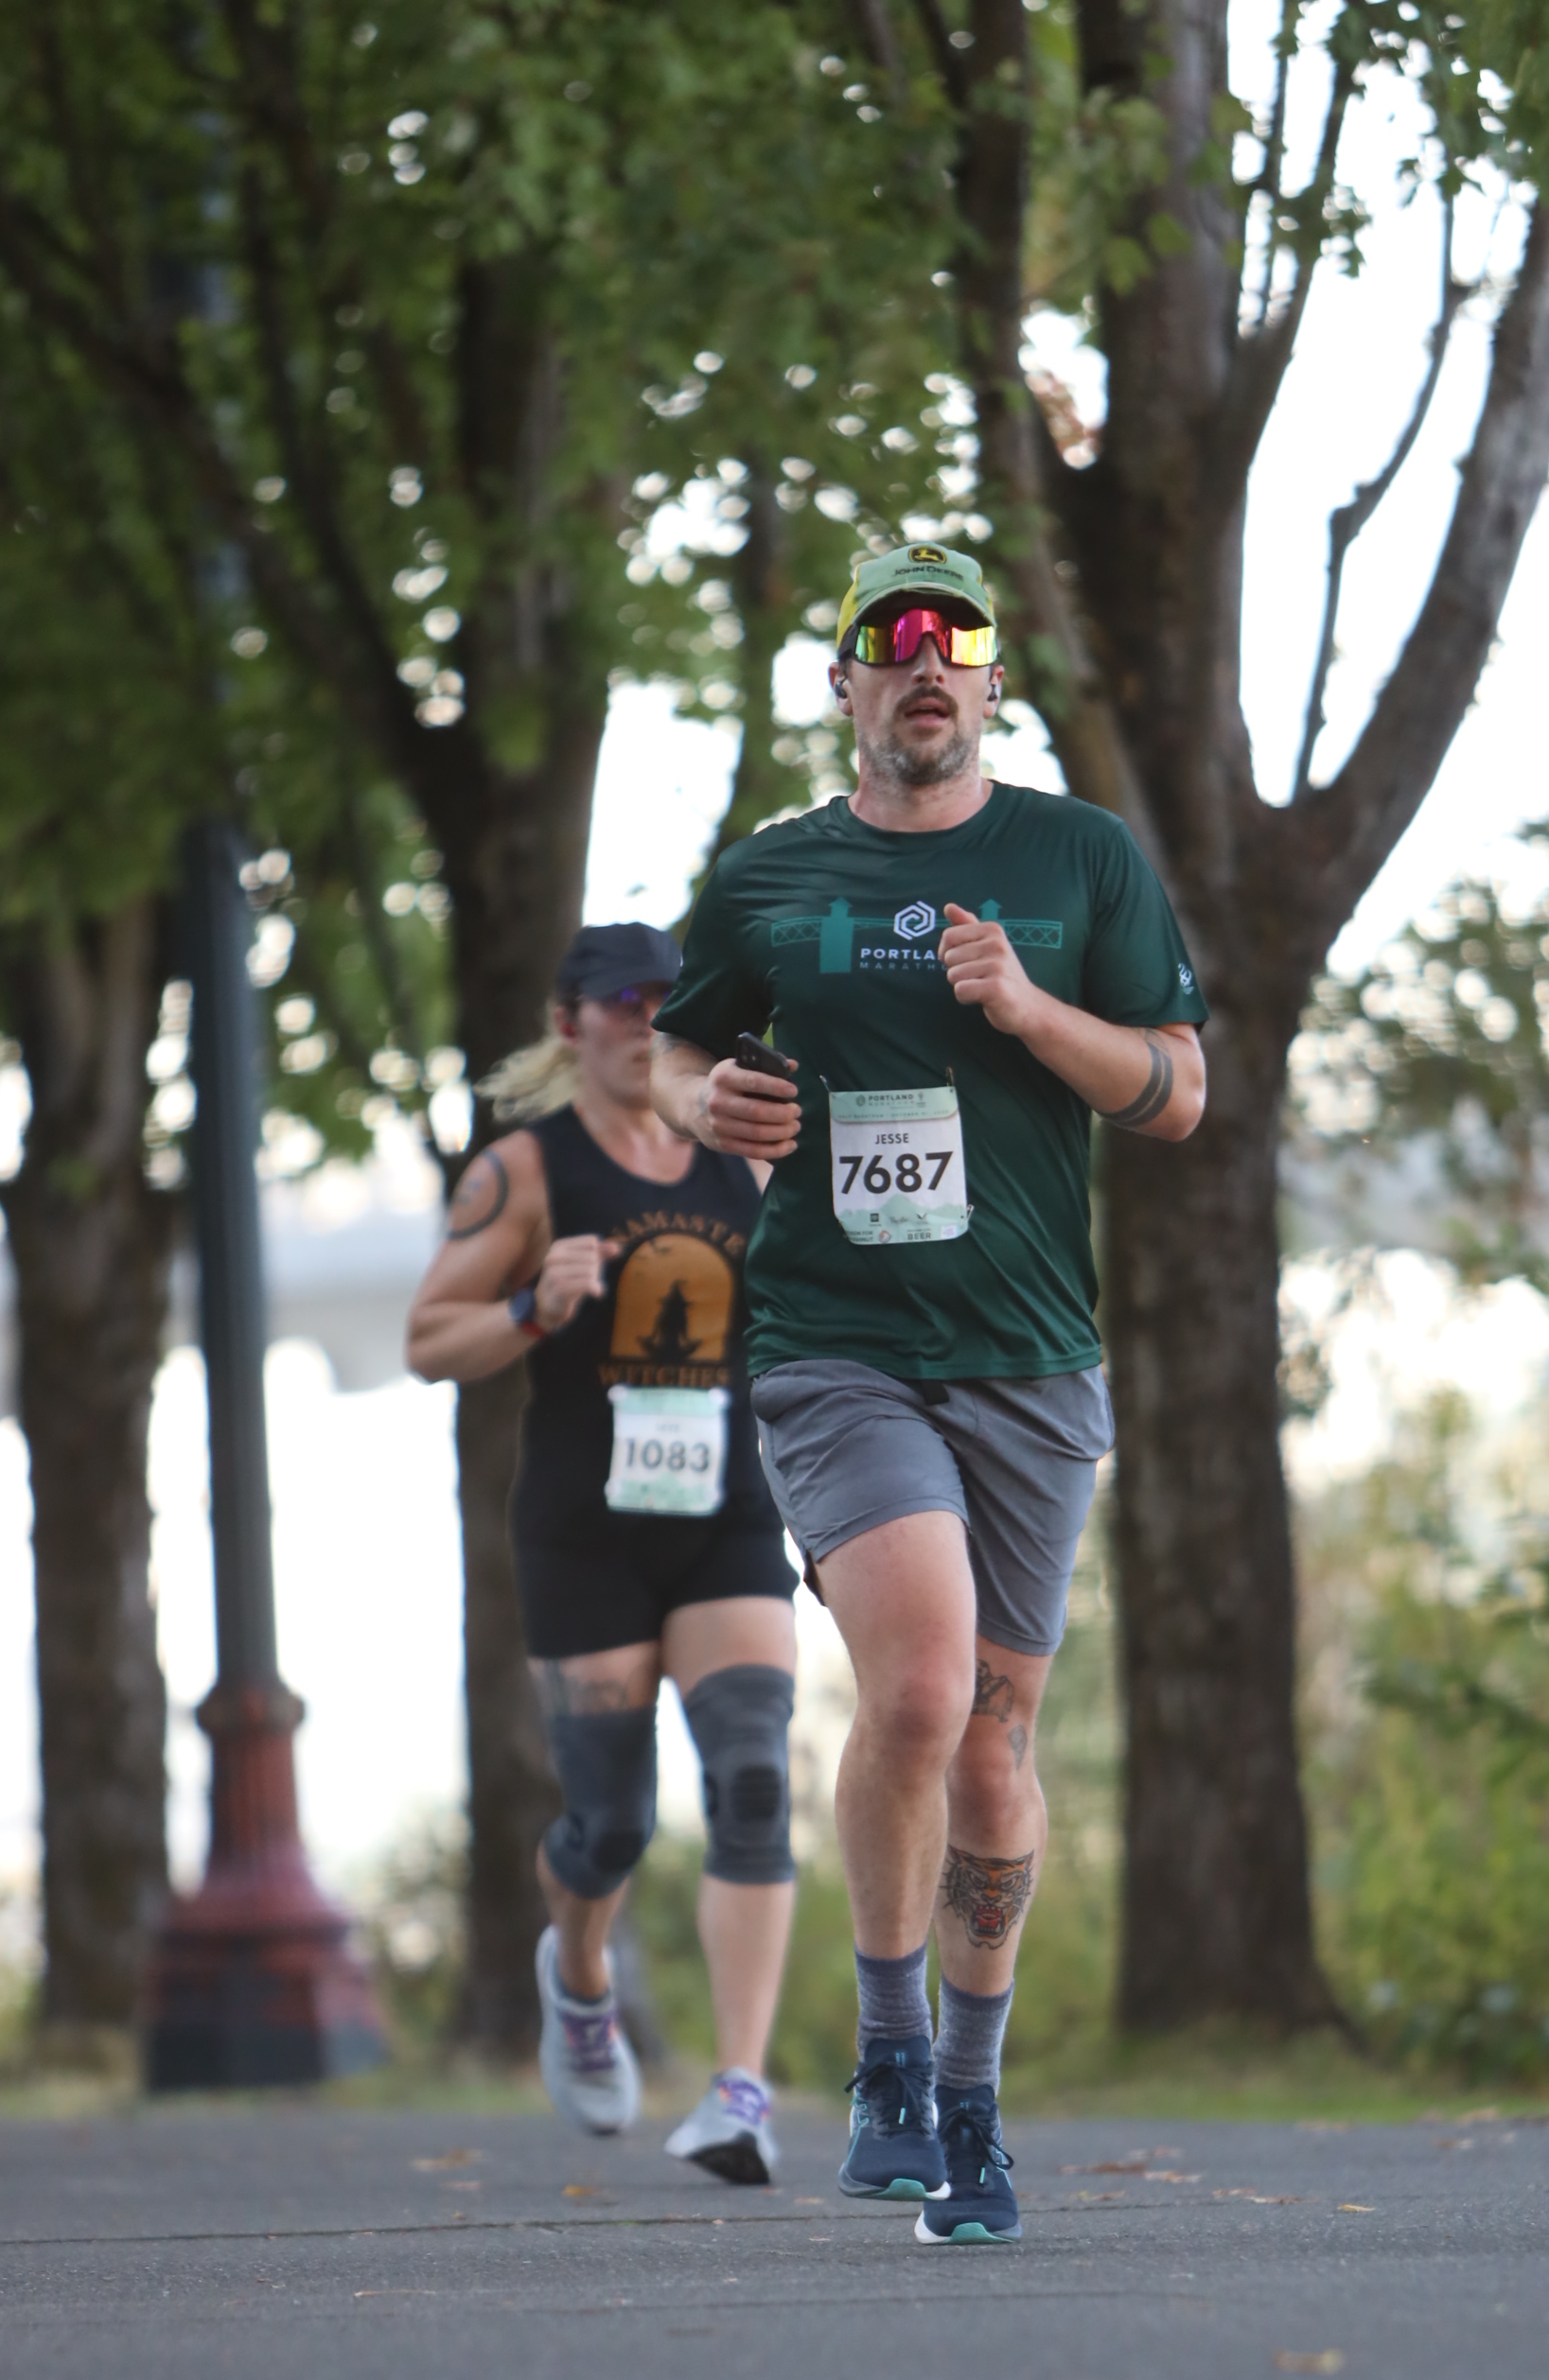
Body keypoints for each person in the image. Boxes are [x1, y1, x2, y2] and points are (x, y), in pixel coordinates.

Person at [649, 541, 1206, 2245]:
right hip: (839, 1346)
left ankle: (970, 2099)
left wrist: (1031, 1010)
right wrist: (705, 1106)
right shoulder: (773, 875)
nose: (922, 663)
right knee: (916, 1692)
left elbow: (1178, 1091)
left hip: (1031, 1357)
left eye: (952, 638)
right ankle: (887, 2057)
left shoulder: (1077, 858)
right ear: (844, 685)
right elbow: (674, 1048)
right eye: (887, 641)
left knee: (994, 1748)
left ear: (989, 678)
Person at [406, 921, 801, 2184]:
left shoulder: (746, 1152)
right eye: (622, 1000)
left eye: (671, 1001)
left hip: (729, 1515)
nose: (647, 1022)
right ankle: (576, 1976)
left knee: (753, 1777)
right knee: (612, 1825)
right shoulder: (525, 1171)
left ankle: (740, 2091)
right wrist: (531, 1306)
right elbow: (429, 1338)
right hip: (587, 1536)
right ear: (566, 1021)